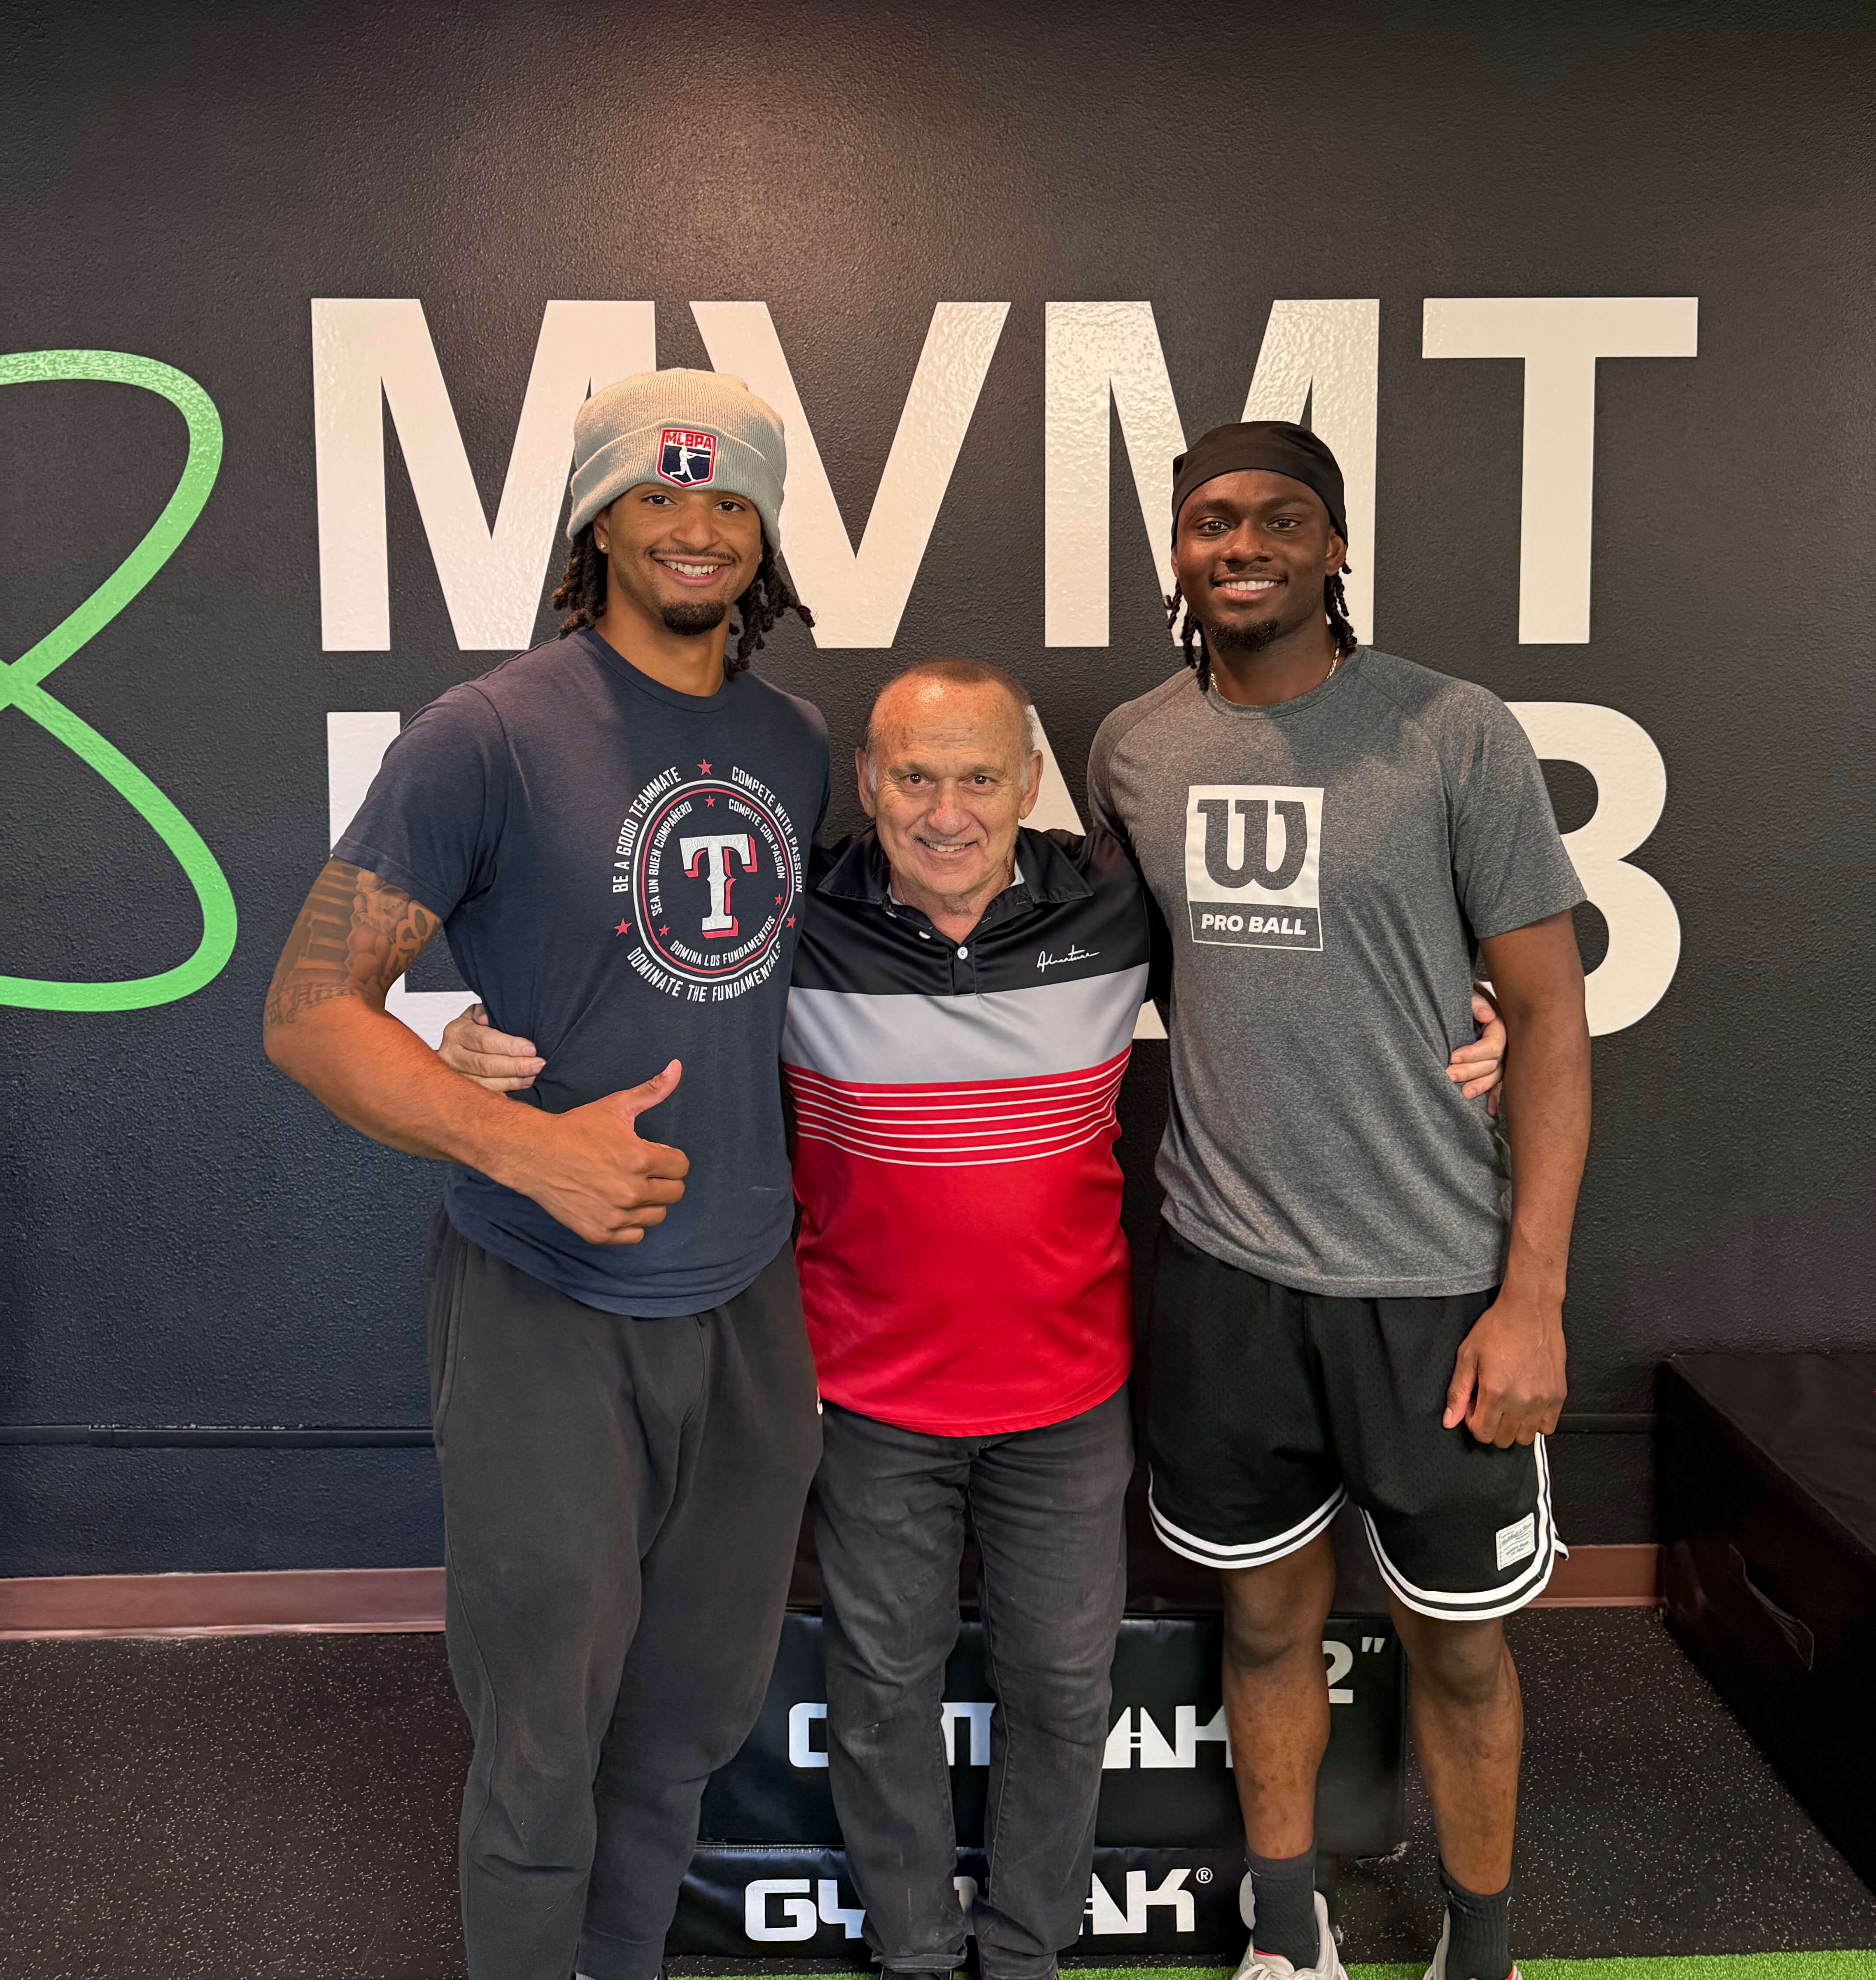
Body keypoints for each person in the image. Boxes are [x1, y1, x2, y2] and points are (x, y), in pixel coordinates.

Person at [448, 650, 1508, 1980]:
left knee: (1061, 1696)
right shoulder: (787, 917)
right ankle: (912, 1952)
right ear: (864, 782)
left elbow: (1294, 985)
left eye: (975, 779)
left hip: (1069, 1399)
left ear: (1027, 785)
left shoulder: (1121, 907)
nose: (943, 812)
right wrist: (467, 1046)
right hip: (866, 1396)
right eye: (911, 778)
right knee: (880, 1693)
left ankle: (1022, 1955)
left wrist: (1470, 1020)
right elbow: (623, 983)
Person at [262, 370, 829, 1980]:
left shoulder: (794, 741)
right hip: (546, 1306)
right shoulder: (488, 733)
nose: (696, 527)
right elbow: (306, 1013)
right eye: (656, 494)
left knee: (682, 1734)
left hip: (744, 1302)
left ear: (767, 527)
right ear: (597, 519)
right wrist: (520, 1144)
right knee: (540, 1753)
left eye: (728, 497)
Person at [1086, 419, 1591, 1980]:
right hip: (1229, 1273)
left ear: (1334, 549)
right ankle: (1285, 1929)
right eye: (1209, 521)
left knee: (1455, 1647)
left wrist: (1531, 1299)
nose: (1242, 546)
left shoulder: (1450, 734)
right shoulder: (1132, 749)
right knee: (1257, 1626)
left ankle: (1481, 1946)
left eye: (1280, 521)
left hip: (1431, 1284)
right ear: (1176, 550)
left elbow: (1553, 1025)